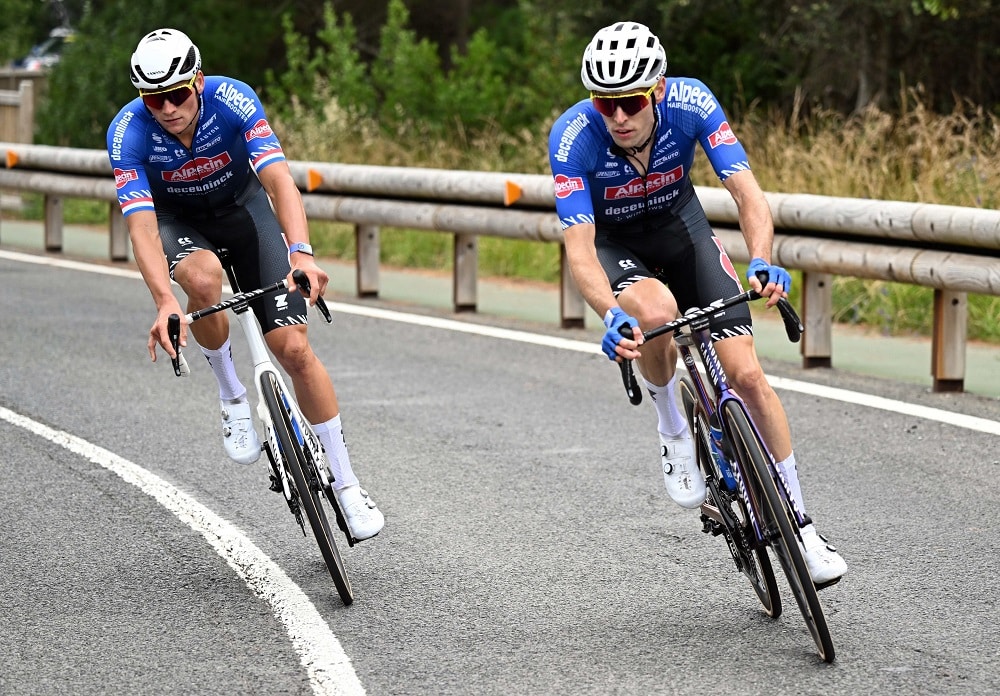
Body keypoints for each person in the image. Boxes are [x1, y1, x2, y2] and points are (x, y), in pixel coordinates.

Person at [547, 21, 846, 585]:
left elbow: (747, 194)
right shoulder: (572, 138)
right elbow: (581, 251)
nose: (618, 118)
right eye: (604, 104)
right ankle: (672, 427)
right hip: (618, 246)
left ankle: (802, 529)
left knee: (748, 376)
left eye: (630, 102)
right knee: (656, 313)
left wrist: (760, 258)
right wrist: (610, 315)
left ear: (657, 90)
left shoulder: (692, 101)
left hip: (680, 228)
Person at [106, 28, 384, 541]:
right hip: (179, 222)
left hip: (243, 210)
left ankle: (347, 486)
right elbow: (141, 226)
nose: (166, 109)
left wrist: (301, 251)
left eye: (176, 95)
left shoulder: (233, 98)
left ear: (199, 81)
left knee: (295, 350)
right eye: (153, 99)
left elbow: (279, 180)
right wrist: (165, 299)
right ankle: (232, 394)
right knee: (203, 279)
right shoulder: (128, 132)